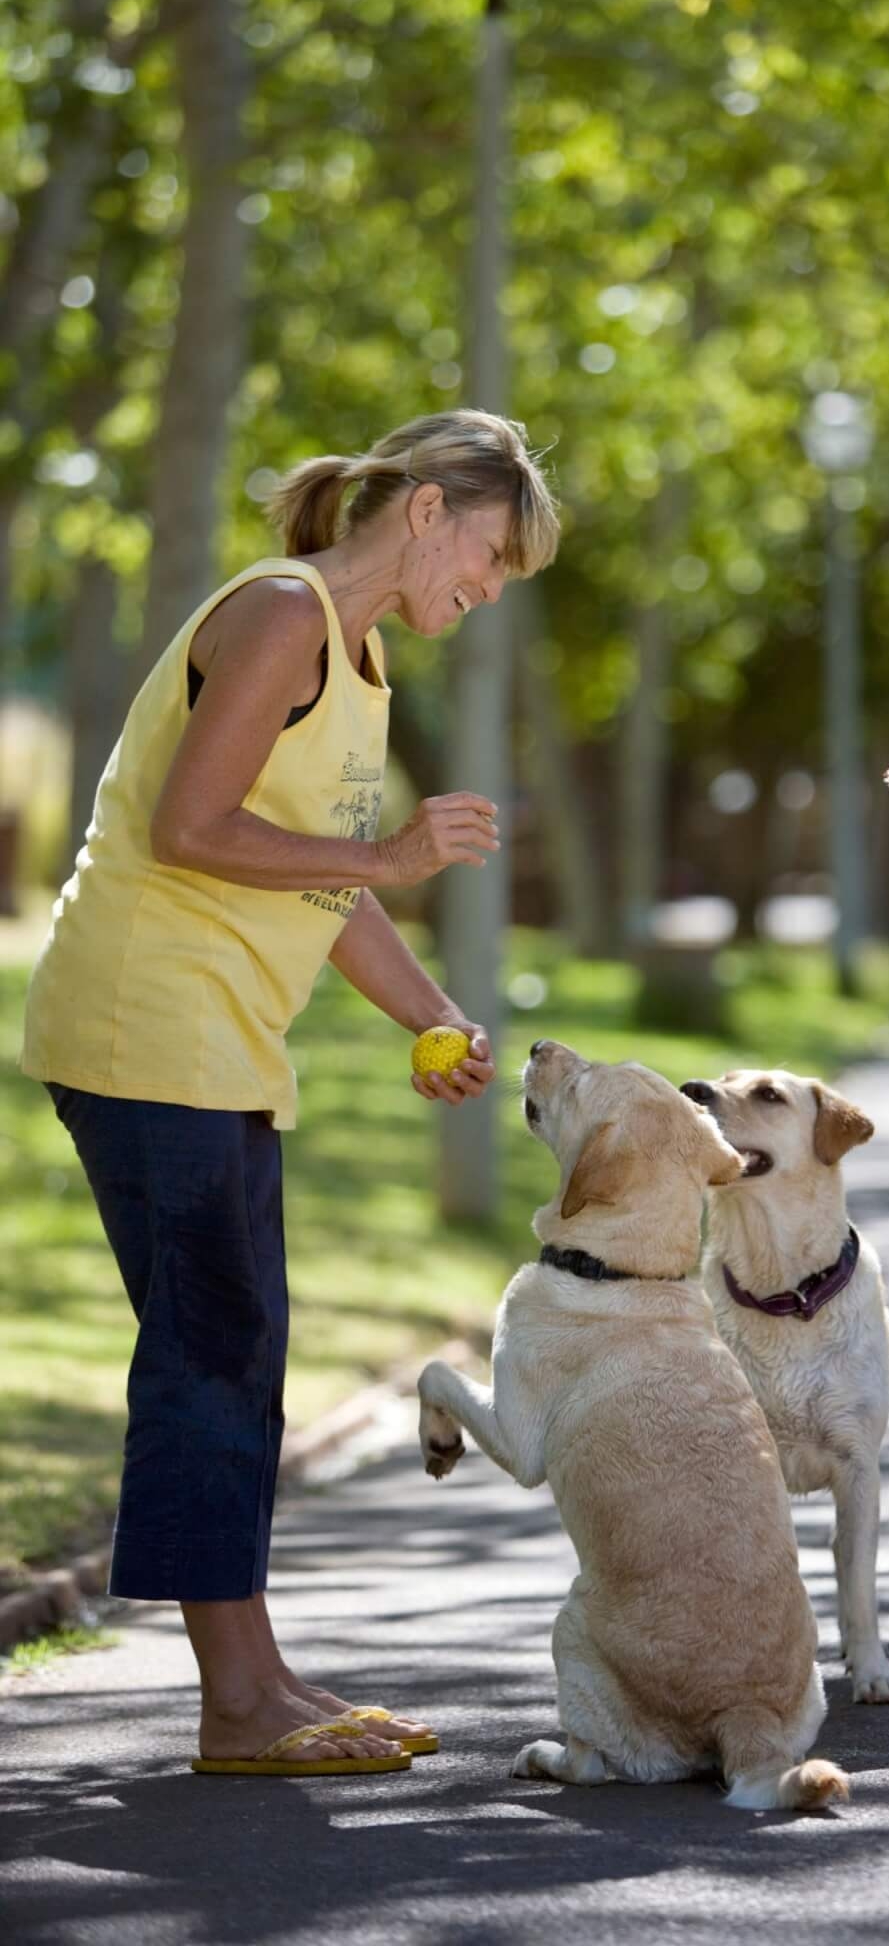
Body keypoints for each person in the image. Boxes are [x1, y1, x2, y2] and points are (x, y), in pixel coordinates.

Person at [20, 408, 559, 1775]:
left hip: (216, 1037)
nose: (486, 591)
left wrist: (431, 1010)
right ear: (428, 510)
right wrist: (392, 863)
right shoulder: (279, 616)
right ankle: (234, 1708)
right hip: (147, 1022)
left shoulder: (357, 659)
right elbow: (187, 828)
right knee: (212, 1352)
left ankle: (258, 1680)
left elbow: (313, 871)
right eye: (491, 558)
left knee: (237, 1351)